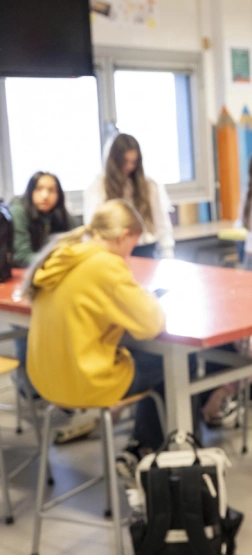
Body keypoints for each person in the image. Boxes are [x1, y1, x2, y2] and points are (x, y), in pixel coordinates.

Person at [19, 199, 167, 477]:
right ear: (123, 236)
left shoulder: (60, 257)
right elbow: (151, 325)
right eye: (132, 246)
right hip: (86, 381)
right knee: (172, 365)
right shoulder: (106, 266)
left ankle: (133, 429)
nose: (129, 255)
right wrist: (149, 299)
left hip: (46, 380)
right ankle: (150, 454)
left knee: (142, 359)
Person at [11, 172, 77, 400]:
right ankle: (28, 385)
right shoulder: (19, 212)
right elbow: (21, 256)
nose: (45, 195)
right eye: (40, 189)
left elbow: (79, 241)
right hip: (19, 285)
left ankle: (58, 387)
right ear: (30, 191)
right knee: (27, 333)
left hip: (50, 283)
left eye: (52, 190)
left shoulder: (60, 216)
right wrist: (58, 264)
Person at [84, 133, 175, 259]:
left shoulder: (149, 185)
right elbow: (92, 225)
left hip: (144, 248)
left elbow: (161, 222)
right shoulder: (98, 186)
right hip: (113, 250)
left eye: (134, 162)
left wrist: (167, 252)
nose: (129, 167)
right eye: (125, 162)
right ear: (114, 161)